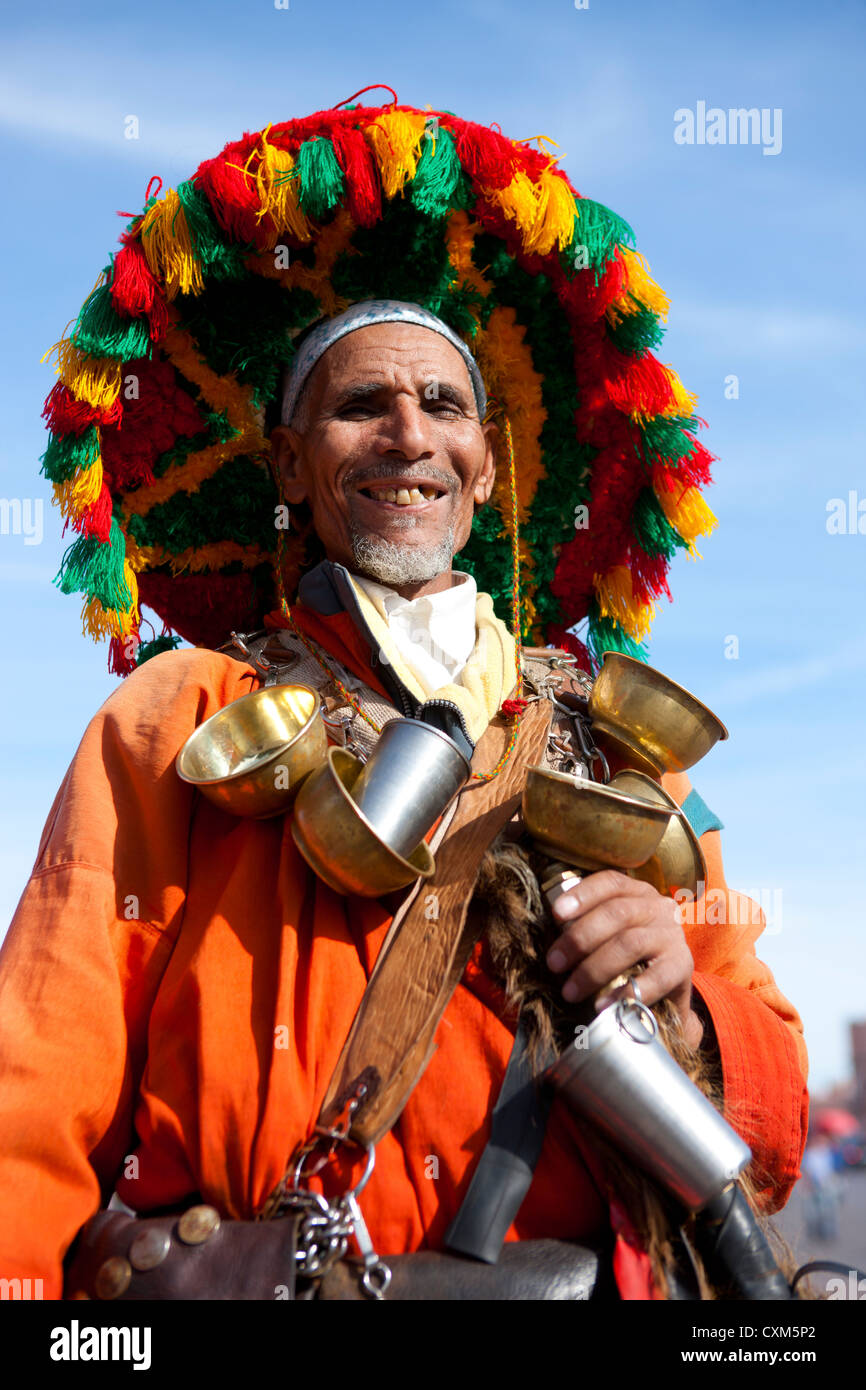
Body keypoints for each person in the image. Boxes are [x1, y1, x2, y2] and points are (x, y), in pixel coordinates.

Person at [0, 99, 808, 1301]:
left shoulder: (611, 742)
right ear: (288, 463)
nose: (404, 436)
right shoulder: (180, 714)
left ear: (483, 467)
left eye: (442, 406)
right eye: (355, 405)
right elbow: (35, 1093)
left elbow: (773, 1099)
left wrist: (682, 995)